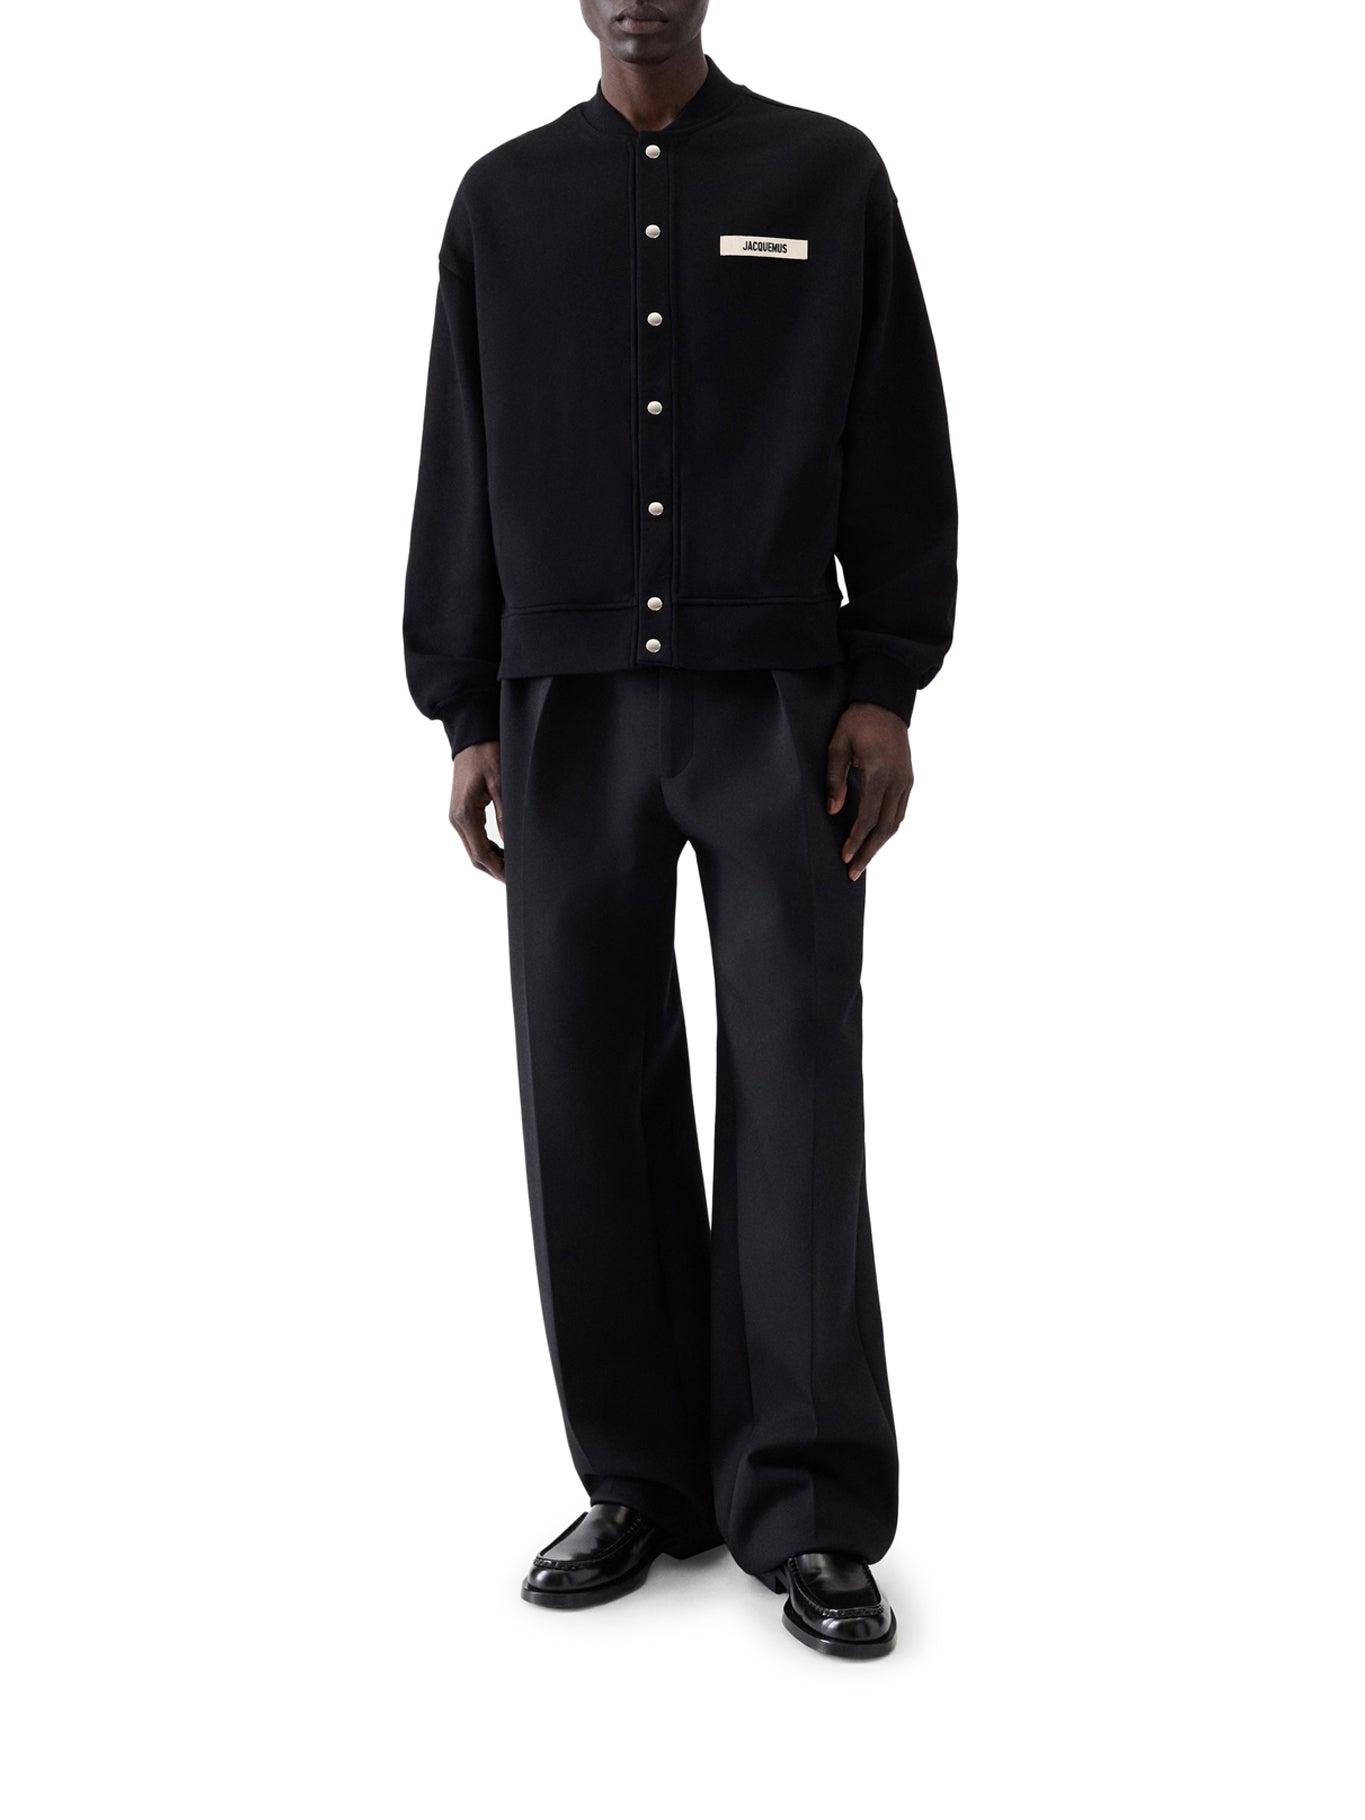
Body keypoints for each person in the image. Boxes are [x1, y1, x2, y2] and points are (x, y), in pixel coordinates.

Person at [403, 0, 956, 1659]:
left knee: (794, 1073)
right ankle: (641, 1478)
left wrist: (883, 683)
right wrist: (467, 708)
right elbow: (458, 456)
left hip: (775, 701)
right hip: (563, 704)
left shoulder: (825, 175)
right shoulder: (503, 200)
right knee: (584, 1079)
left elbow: (896, 436)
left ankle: (808, 1502)